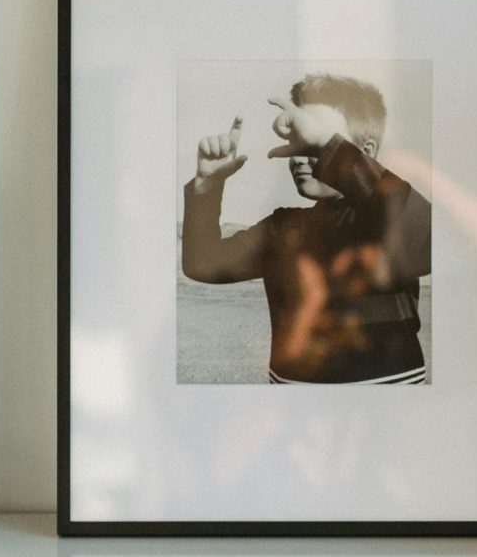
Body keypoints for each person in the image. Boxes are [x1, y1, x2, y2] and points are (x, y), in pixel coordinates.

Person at [182, 73, 431, 384]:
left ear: (364, 151)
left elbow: (424, 242)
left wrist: (329, 147)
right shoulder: (283, 228)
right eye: (295, 143)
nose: (299, 157)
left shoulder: (392, 221)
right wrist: (207, 187)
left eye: (314, 142)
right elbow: (202, 263)